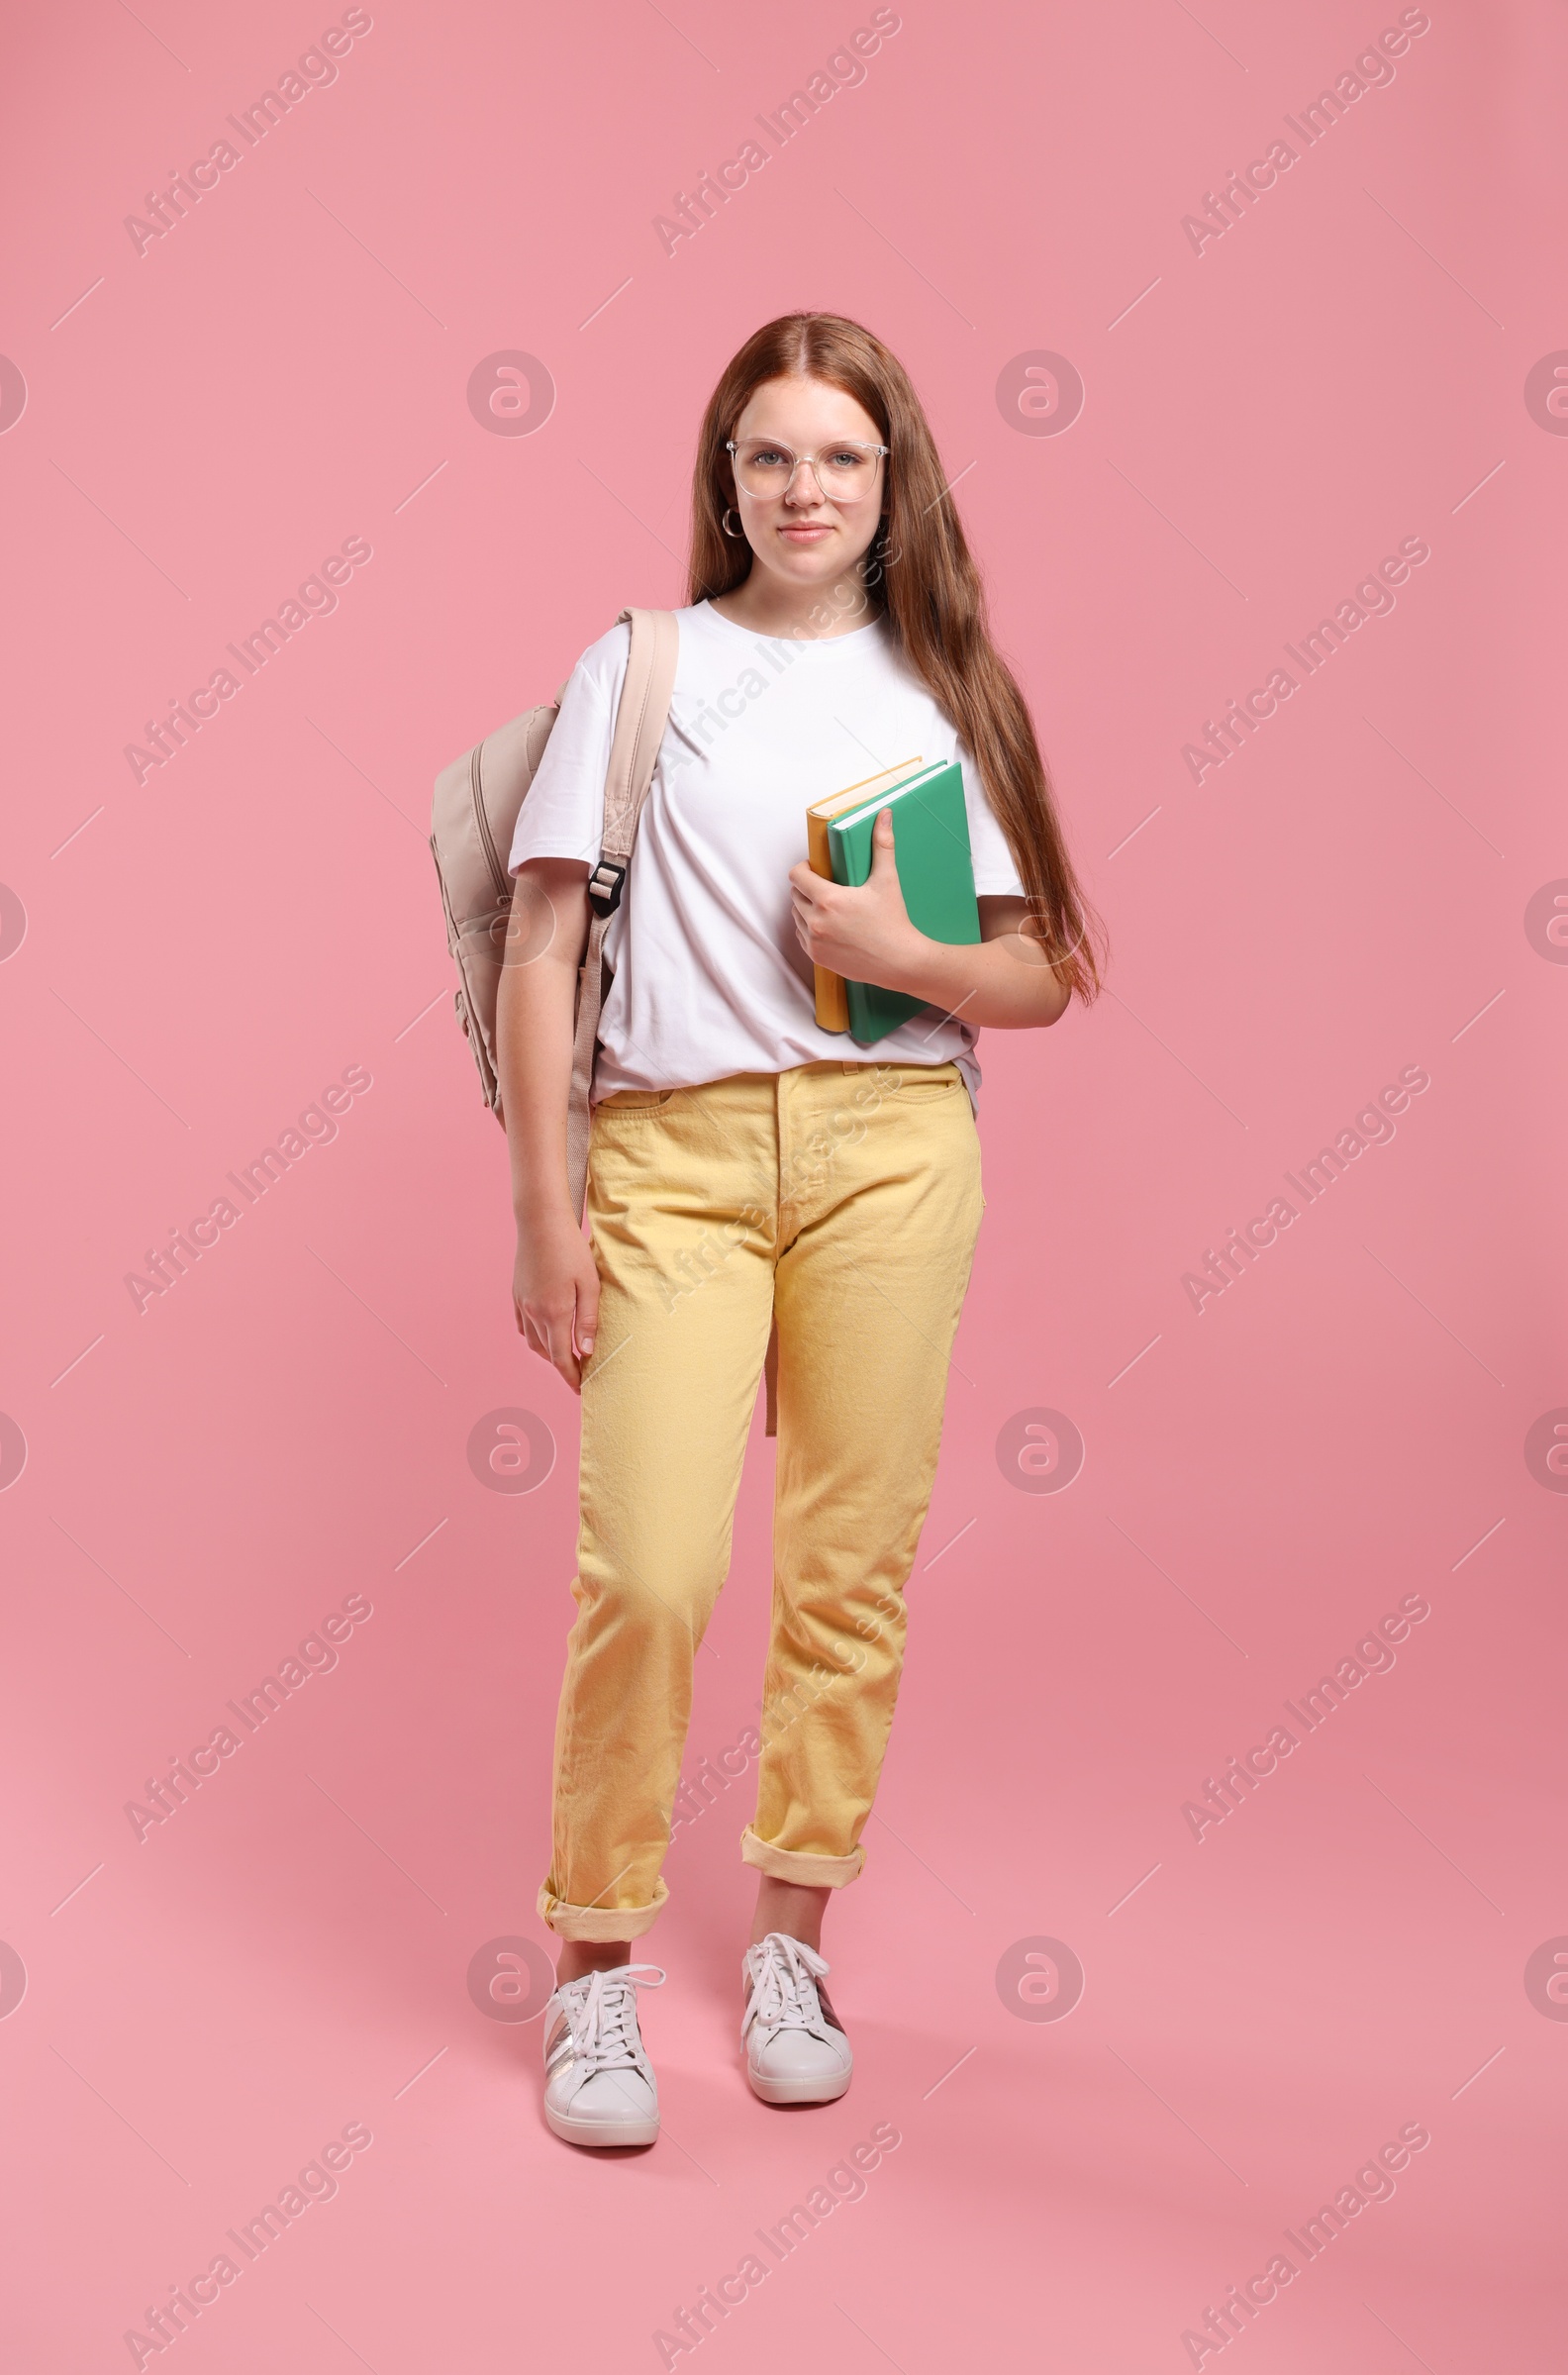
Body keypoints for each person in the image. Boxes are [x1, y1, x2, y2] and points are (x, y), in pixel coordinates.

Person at [496, 311, 1100, 2148]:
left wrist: (909, 963)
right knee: (654, 1573)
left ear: (894, 479)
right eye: (771, 455)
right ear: (726, 479)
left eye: (841, 455)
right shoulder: (646, 665)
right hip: (669, 1155)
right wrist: (543, 1208)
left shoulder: (950, 692)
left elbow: (1042, 972)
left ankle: (789, 1942)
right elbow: (538, 943)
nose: (806, 487)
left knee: (849, 1570)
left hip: (891, 1150)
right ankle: (594, 1977)